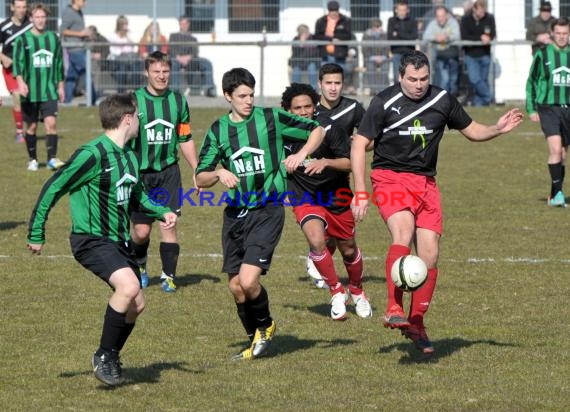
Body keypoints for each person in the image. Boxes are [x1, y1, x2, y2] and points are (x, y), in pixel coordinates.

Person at [350, 50, 523, 354]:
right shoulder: (383, 102)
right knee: (402, 232)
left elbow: (472, 131)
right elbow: (359, 143)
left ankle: (416, 323)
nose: (419, 84)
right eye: (412, 79)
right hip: (389, 177)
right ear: (399, 77)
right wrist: (360, 191)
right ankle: (393, 306)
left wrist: (497, 129)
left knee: (429, 255)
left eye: (424, 78)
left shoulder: (442, 100)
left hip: (427, 184)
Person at [27, 93, 178, 386]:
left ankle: (112, 356)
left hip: (118, 241)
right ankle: (104, 356)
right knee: (129, 285)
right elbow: (53, 186)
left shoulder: (130, 156)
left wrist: (162, 211)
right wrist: (36, 231)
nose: (140, 122)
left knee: (137, 305)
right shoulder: (92, 153)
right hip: (90, 239)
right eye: (137, 117)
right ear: (127, 119)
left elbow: (137, 195)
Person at [195, 68, 325, 360]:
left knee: (249, 280)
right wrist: (218, 172)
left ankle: (265, 326)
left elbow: (317, 129)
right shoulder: (218, 130)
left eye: (251, 94)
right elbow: (199, 177)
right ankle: (255, 339)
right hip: (234, 214)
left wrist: (301, 154)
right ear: (228, 97)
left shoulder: (271, 118)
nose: (248, 100)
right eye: (242, 96)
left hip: (267, 209)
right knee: (236, 287)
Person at [281, 82, 372, 320]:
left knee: (348, 248)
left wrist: (326, 162)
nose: (303, 112)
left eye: (308, 106)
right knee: (316, 240)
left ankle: (357, 290)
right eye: (297, 108)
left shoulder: (330, 128)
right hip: (304, 196)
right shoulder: (280, 133)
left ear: (314, 106)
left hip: (336, 194)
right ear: (288, 110)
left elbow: (351, 161)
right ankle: (336, 290)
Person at [129, 51, 197, 293]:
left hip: (168, 173)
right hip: (140, 176)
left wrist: (196, 169)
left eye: (165, 71)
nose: (161, 76)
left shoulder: (178, 101)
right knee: (141, 230)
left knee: (168, 224)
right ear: (146, 72)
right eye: (156, 71)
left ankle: (168, 276)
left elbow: (185, 137)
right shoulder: (134, 100)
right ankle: (139, 265)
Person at [306, 62, 365, 289]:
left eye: (337, 83)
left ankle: (318, 256)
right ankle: (317, 255)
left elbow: (370, 138)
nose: (333, 88)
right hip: (311, 179)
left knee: (339, 231)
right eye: (328, 83)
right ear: (319, 84)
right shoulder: (310, 110)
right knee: (318, 224)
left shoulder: (353, 108)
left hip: (340, 175)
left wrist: (357, 144)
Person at [13, 3, 65, 172]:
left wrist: (61, 86)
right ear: (31, 19)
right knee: (32, 127)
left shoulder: (53, 38)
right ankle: (33, 159)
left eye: (43, 17)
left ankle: (52, 159)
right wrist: (21, 82)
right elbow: (18, 64)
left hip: (49, 90)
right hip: (30, 91)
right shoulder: (23, 39)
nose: (41, 20)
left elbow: (59, 64)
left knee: (51, 123)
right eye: (37, 17)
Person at [526, 17, 570, 207]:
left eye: (565, 33)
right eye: (558, 33)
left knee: (562, 154)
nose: (561, 37)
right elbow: (531, 81)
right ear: (552, 33)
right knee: (554, 149)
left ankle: (554, 194)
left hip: (568, 109)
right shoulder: (543, 54)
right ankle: (559, 193)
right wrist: (531, 108)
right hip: (548, 107)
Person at [0, 0, 32, 142]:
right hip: (10, 70)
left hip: (27, 70)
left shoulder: (30, 26)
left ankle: (31, 128)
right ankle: (20, 132)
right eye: (18, 7)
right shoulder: (4, 26)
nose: (21, 10)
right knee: (17, 97)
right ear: (12, 7)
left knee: (29, 101)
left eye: (24, 7)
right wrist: (3, 57)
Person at [168, 16, 216, 97]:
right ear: (179, 25)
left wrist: (188, 57)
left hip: (191, 60)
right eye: (182, 23)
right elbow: (172, 49)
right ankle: (175, 90)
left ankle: (209, 89)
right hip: (177, 60)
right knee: (173, 63)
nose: (184, 25)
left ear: (188, 24)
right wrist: (179, 57)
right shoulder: (173, 36)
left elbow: (195, 52)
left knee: (207, 63)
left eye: (185, 23)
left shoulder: (193, 39)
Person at [460, 0, 496, 106]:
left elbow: (493, 34)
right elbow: (464, 36)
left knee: (483, 81)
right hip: (471, 55)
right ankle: (489, 97)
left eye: (484, 11)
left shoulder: (489, 18)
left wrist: (488, 38)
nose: (482, 14)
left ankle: (479, 103)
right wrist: (480, 38)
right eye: (480, 12)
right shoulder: (465, 19)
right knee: (475, 79)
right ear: (474, 9)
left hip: (485, 54)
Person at [60, 0, 96, 105]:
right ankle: (92, 100)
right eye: (83, 0)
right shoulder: (68, 12)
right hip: (75, 49)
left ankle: (66, 101)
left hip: (79, 47)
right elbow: (63, 30)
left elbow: (77, 30)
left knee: (71, 75)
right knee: (87, 73)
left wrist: (86, 34)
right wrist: (80, 33)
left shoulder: (79, 12)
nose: (85, 2)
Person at [423, 6, 460, 96]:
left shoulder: (453, 23)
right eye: (438, 16)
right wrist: (436, 38)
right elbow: (425, 37)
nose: (440, 18)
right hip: (440, 55)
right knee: (445, 79)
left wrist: (446, 37)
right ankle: (445, 99)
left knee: (453, 79)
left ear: (447, 15)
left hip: (452, 54)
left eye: (442, 16)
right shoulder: (432, 24)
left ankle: (453, 99)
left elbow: (457, 36)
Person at [313, 1, 352, 70]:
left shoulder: (345, 20)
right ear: (328, 10)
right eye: (331, 10)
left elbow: (348, 36)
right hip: (325, 55)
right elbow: (317, 36)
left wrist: (337, 38)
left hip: (340, 55)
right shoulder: (321, 21)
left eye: (335, 10)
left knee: (339, 76)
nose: (334, 12)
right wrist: (330, 38)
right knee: (326, 77)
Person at [107, 15, 141, 93]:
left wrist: (127, 37)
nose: (126, 26)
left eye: (126, 24)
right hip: (118, 59)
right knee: (122, 68)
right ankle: (121, 92)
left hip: (130, 58)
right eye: (124, 24)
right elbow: (112, 50)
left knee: (135, 68)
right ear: (120, 25)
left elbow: (134, 47)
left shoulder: (129, 35)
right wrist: (122, 53)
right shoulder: (113, 36)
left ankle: (137, 92)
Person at [387, 1, 418, 83]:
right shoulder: (391, 21)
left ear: (408, 10)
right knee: (397, 77)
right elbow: (390, 37)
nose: (402, 12)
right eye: (400, 10)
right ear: (396, 10)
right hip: (396, 52)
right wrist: (406, 37)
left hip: (410, 53)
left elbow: (414, 36)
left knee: (410, 76)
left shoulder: (412, 20)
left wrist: (398, 34)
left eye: (404, 10)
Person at [361, 18, 390, 95]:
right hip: (370, 58)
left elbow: (387, 48)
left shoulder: (384, 34)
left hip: (383, 58)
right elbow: (365, 49)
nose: (377, 28)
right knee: (370, 68)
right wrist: (373, 57)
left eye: (379, 26)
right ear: (372, 27)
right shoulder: (366, 35)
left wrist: (383, 57)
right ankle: (373, 90)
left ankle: (382, 90)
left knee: (385, 68)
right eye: (376, 26)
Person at [290, 23, 320, 91]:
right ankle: (295, 90)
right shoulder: (296, 39)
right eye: (303, 32)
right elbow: (295, 52)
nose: (305, 33)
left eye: (306, 32)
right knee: (296, 70)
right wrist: (301, 44)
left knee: (312, 68)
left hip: (311, 61)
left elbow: (315, 52)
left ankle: (313, 89)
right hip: (299, 62)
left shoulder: (313, 38)